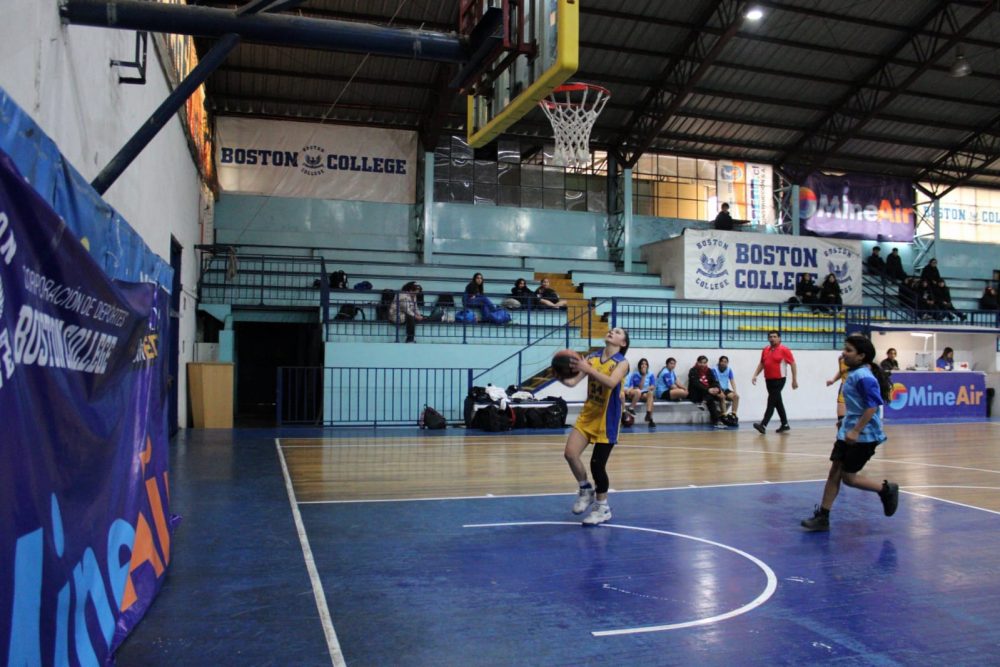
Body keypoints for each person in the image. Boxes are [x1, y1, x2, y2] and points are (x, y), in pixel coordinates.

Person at [801, 334, 899, 532]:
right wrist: (844, 424)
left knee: (849, 478)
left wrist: (855, 430)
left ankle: (886, 489)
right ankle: (823, 516)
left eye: (848, 350)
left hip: (864, 435)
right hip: (848, 430)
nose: (843, 353)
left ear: (861, 356)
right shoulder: (853, 373)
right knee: (834, 471)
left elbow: (872, 407)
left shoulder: (864, 377)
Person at [561, 327, 631, 526]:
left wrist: (588, 369)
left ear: (623, 343)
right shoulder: (592, 358)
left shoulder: (622, 363)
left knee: (597, 464)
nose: (611, 332)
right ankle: (585, 489)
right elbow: (574, 382)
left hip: (607, 418)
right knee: (570, 453)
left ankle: (602, 508)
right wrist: (560, 375)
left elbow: (610, 382)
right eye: (611, 330)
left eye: (617, 332)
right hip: (588, 414)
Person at [751, 330, 798, 434]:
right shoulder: (765, 350)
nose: (772, 338)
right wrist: (755, 375)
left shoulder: (784, 350)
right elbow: (762, 363)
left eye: (775, 336)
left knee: (771, 402)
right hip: (768, 379)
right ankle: (785, 424)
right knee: (777, 402)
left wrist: (794, 379)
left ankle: (763, 424)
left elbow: (793, 364)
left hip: (779, 380)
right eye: (770, 337)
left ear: (779, 338)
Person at [687, 355, 727, 429]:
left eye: (704, 363)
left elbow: (714, 381)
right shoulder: (692, 370)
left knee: (714, 396)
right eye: (701, 362)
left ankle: (705, 403)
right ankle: (716, 421)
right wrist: (708, 390)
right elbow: (696, 384)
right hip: (696, 394)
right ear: (697, 362)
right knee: (710, 398)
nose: (703, 364)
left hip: (707, 393)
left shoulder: (709, 370)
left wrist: (717, 389)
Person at [624, 358, 657, 427]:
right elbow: (640, 387)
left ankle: (648, 413)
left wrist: (648, 388)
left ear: (647, 366)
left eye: (645, 364)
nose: (644, 365)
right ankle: (650, 419)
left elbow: (653, 386)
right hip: (639, 393)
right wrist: (644, 375)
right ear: (639, 366)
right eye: (642, 364)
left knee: (650, 394)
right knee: (651, 400)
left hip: (646, 392)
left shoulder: (651, 374)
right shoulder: (635, 375)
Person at [826, 354, 849, 429]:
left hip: (856, 390)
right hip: (844, 389)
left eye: (848, 349)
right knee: (841, 420)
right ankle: (841, 438)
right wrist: (833, 380)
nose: (844, 351)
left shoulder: (862, 362)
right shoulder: (841, 359)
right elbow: (841, 371)